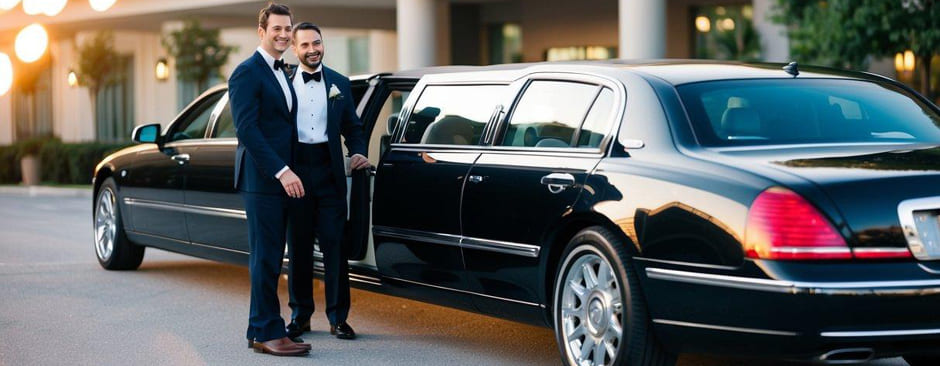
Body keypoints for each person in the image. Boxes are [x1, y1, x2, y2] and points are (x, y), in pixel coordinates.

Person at [228, 2, 310, 357]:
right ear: (261, 32)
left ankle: (266, 328)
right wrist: (281, 170)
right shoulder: (246, 72)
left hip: (280, 181)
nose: (282, 34)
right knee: (265, 257)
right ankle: (264, 331)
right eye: (276, 28)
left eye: (287, 28)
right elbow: (247, 129)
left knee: (274, 255)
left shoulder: (283, 71)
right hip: (262, 180)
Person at [284, 21, 371, 342]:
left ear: (323, 44)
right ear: (295, 49)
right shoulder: (284, 82)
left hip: (329, 172)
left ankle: (338, 318)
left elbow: (353, 127)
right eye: (305, 45)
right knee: (300, 247)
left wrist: (358, 152)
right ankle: (300, 316)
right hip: (295, 172)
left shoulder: (339, 84)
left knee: (335, 246)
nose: (312, 50)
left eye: (316, 43)